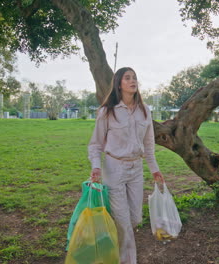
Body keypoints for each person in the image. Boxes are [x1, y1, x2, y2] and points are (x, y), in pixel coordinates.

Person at [88, 67, 164, 264]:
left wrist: (155, 170)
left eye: (135, 77)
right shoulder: (108, 112)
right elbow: (95, 144)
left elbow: (149, 145)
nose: (133, 81)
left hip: (136, 170)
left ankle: (113, 244)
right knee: (123, 222)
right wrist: (96, 166)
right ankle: (126, 260)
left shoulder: (144, 111)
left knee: (135, 219)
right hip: (114, 169)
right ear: (119, 84)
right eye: (127, 78)